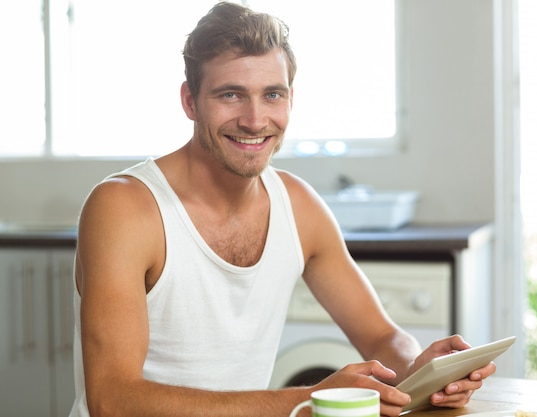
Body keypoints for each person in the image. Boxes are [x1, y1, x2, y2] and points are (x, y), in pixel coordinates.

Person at [69, 2, 496, 417]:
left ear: (290, 99)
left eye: (271, 94)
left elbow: (381, 336)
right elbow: (114, 400)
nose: (255, 120)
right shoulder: (125, 207)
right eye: (231, 95)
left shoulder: (298, 204)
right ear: (190, 101)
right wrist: (308, 399)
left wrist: (422, 369)